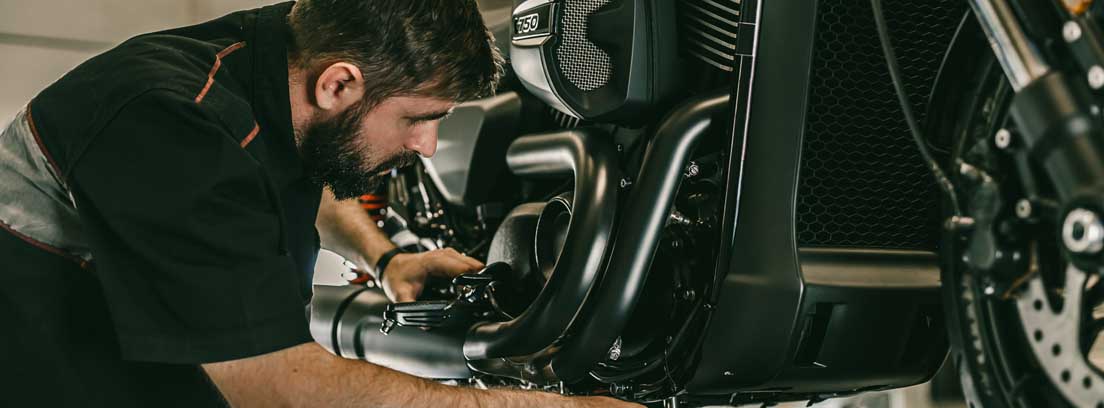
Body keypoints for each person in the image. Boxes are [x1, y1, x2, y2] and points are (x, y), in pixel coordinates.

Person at [0, 1, 638, 407]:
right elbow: (276, 387)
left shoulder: (279, 61)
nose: (427, 144)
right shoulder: (169, 119)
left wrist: (387, 260)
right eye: (420, 118)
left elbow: (282, 174)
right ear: (339, 83)